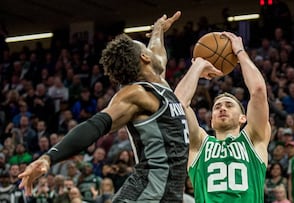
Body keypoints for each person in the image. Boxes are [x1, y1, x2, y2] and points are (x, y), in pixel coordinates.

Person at [18, 11, 190, 202]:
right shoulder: (136, 94)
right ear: (145, 57)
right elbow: (95, 126)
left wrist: (158, 29)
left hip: (165, 192)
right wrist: (48, 158)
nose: (153, 52)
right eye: (147, 50)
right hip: (147, 193)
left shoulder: (160, 84)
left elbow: (157, 51)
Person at [175, 32, 271, 202]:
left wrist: (240, 52)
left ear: (243, 118)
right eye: (217, 106)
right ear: (211, 120)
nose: (222, 109)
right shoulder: (199, 144)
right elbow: (178, 104)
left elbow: (258, 91)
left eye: (229, 105)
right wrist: (198, 65)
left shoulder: (254, 139)